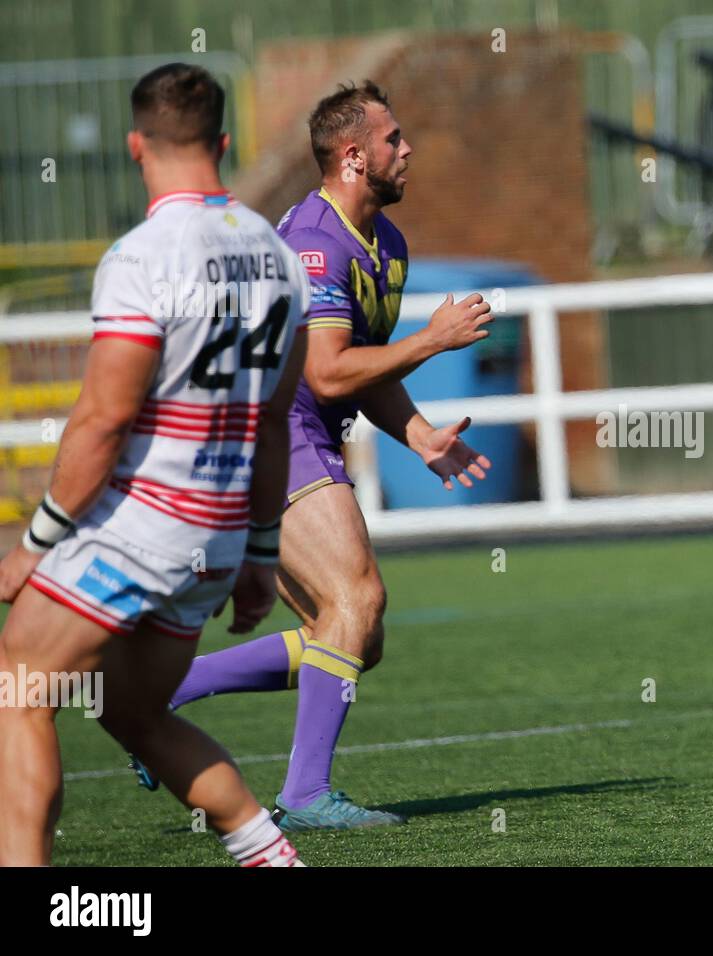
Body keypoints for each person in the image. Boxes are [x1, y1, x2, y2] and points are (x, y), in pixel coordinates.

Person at [146, 81, 494, 831]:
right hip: (263, 429)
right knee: (356, 600)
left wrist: (420, 433)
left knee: (353, 638)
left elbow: (358, 368)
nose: (408, 149)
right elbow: (328, 371)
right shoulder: (313, 243)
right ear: (353, 157)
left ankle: (166, 690)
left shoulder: (386, 244)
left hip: (295, 427)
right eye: (393, 138)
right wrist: (433, 339)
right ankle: (304, 795)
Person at [0, 63, 309, 865]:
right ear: (225, 142)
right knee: (131, 712)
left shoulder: (143, 257)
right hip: (216, 537)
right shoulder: (278, 258)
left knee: (18, 692)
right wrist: (262, 556)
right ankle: (270, 854)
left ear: (137, 144)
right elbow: (274, 425)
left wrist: (35, 545)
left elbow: (103, 420)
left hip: (143, 523)